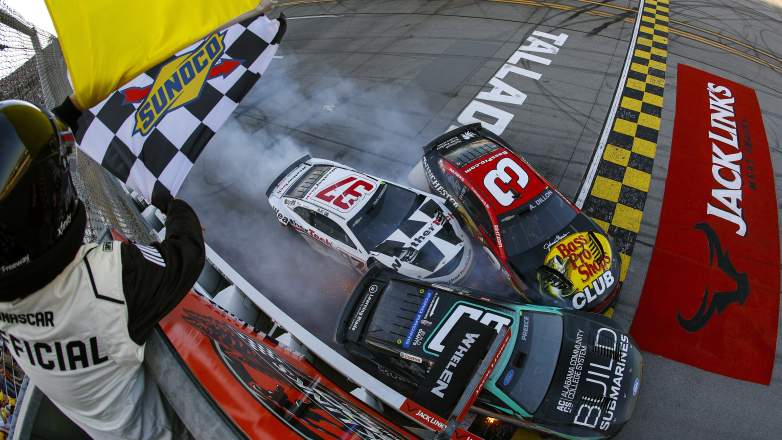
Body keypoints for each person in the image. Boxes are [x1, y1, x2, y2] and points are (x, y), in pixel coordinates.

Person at [0, 99, 205, 439]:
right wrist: (178, 205)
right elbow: (185, 254)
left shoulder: (7, 309)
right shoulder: (107, 281)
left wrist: (64, 114)